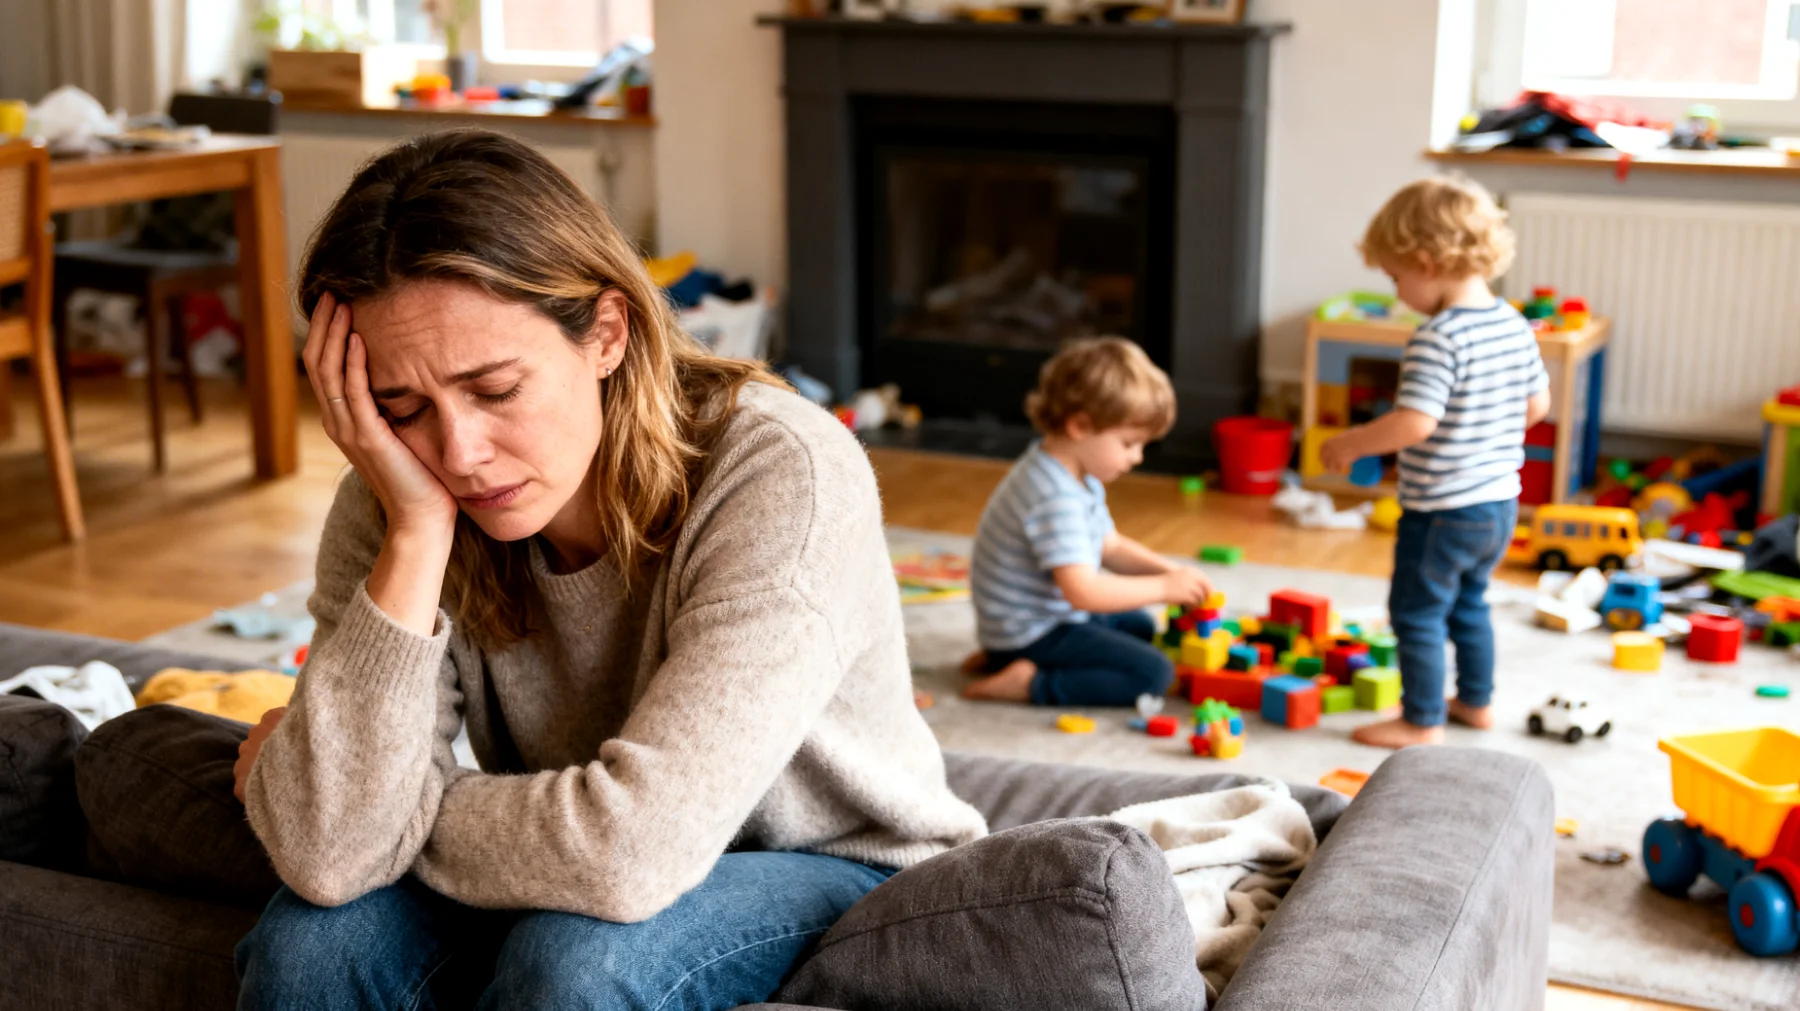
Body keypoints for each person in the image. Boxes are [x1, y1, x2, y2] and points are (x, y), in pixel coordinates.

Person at [228, 130, 987, 1009]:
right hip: (573, 857)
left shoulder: (783, 471)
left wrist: (403, 810)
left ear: (608, 331)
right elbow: (329, 856)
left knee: (575, 962)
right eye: (402, 407)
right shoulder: (404, 494)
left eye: (497, 389)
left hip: (831, 863)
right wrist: (414, 537)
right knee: (310, 946)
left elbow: (630, 853)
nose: (461, 453)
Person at [1320, 176, 1551, 750]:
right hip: (1499, 502)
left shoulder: (1437, 336)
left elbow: (1415, 422)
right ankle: (1475, 701)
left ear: (1425, 262)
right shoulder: (1513, 323)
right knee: (1470, 602)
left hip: (1443, 508)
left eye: (1397, 279)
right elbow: (1537, 405)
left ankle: (1421, 719)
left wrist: (1350, 444)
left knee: (1417, 611)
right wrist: (1485, 433)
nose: (1399, 294)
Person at [960, 337, 1214, 707]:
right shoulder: (1054, 496)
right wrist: (1163, 588)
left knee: (1140, 625)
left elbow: (1109, 546)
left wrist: (1171, 572)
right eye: (1129, 443)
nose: (1137, 457)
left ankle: (1005, 656)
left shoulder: (1070, 471)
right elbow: (1084, 593)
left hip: (1034, 619)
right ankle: (1029, 681)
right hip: (1033, 631)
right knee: (1153, 673)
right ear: (1080, 426)